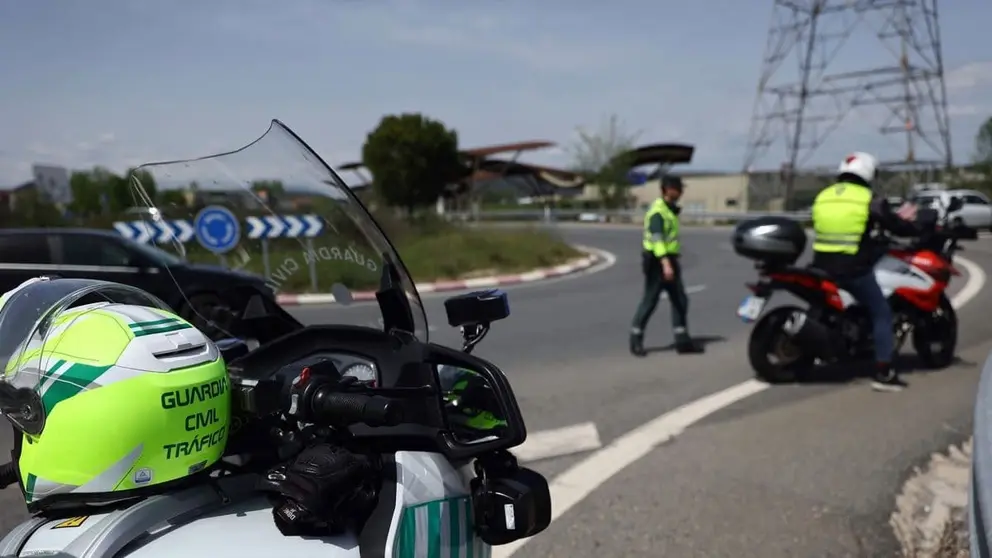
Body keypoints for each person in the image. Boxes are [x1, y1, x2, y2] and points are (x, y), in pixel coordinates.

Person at [811, 152, 920, 392]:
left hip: (819, 264)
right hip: (851, 268)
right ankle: (884, 372)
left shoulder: (823, 196)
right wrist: (912, 225)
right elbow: (894, 225)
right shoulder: (868, 198)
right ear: (869, 173)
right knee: (881, 311)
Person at [630, 175, 704, 357]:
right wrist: (665, 264)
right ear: (668, 189)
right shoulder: (658, 211)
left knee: (680, 299)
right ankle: (636, 340)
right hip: (657, 261)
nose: (681, 192)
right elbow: (656, 239)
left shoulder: (670, 210)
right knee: (650, 301)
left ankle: (682, 341)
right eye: (678, 188)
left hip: (669, 259)